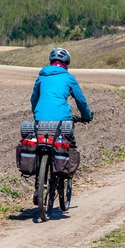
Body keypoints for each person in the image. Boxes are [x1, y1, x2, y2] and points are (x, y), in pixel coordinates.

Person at [30, 47, 93, 204]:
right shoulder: (68, 78)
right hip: (62, 120)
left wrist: (37, 114)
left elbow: (34, 99)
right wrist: (86, 116)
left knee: (39, 145)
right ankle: (63, 174)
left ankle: (39, 184)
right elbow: (80, 100)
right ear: (66, 63)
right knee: (67, 145)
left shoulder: (42, 76)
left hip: (40, 120)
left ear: (51, 62)